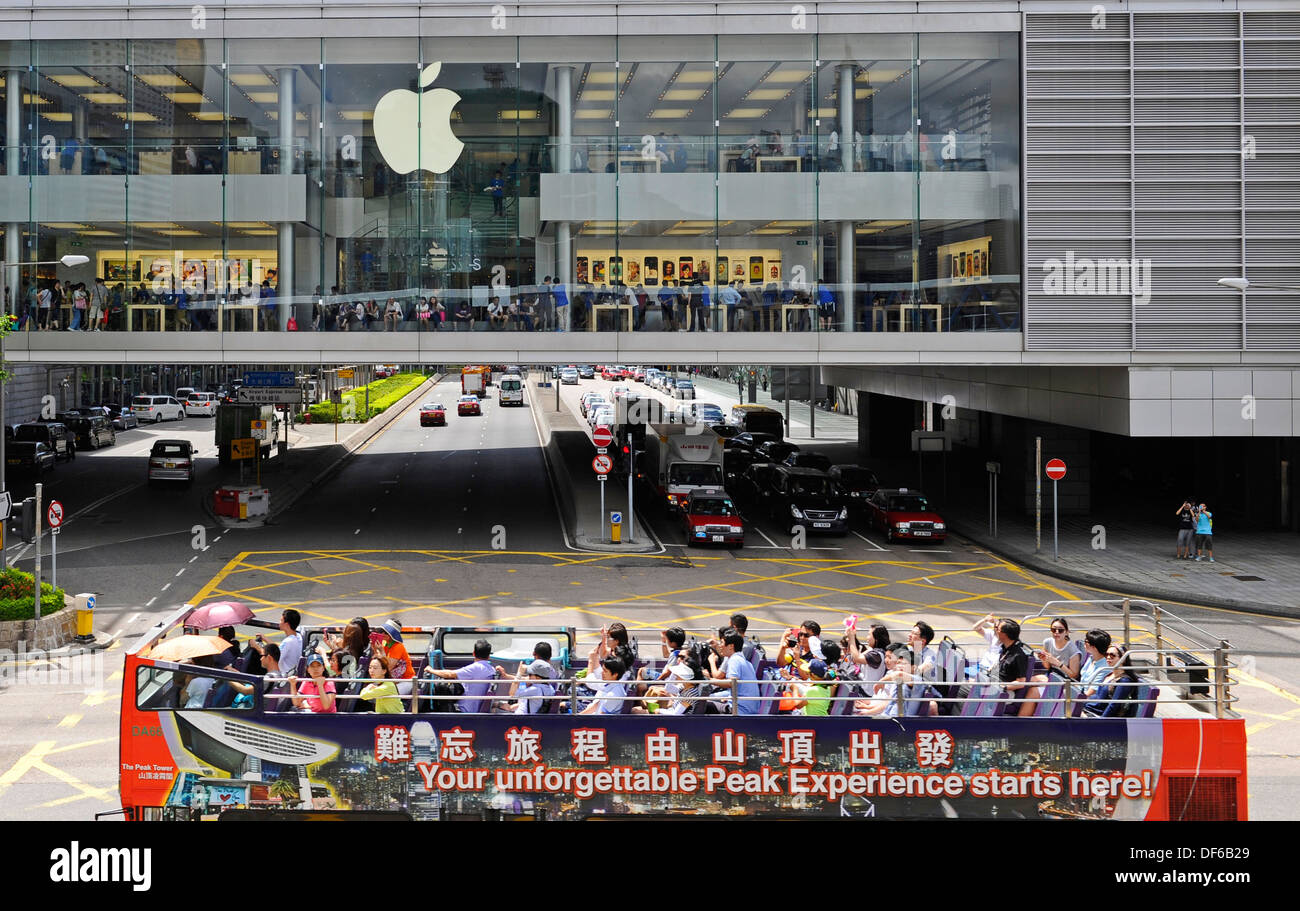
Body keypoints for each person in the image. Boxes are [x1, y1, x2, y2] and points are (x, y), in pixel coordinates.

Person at [425, 638, 496, 712]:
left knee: (441, 689)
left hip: (465, 709)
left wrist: (431, 670)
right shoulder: (491, 669)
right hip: (475, 707)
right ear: (488, 656)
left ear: (473, 653)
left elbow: (450, 674)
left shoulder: (476, 668)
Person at [994, 618, 1039, 717]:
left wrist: (1001, 686)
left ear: (1005, 635)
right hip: (994, 684)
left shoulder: (1018, 656)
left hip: (1006, 692)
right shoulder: (1005, 649)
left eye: (998, 629)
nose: (996, 631)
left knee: (966, 694)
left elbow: (1021, 683)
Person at [707, 631, 759, 715]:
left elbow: (731, 683)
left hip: (739, 710)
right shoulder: (744, 661)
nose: (720, 646)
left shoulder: (734, 660)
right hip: (747, 708)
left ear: (731, 646)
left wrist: (708, 680)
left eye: (722, 643)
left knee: (701, 704)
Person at [1084, 648, 1140, 718]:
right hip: (1089, 709)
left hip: (1097, 716)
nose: (1108, 657)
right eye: (1106, 655)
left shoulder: (1124, 681)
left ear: (1123, 659)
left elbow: (1113, 706)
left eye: (1112, 655)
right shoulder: (1110, 675)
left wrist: (1101, 722)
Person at [252, 609, 302, 675]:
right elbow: (279, 648)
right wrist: (265, 639)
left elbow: (273, 658)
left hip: (284, 677)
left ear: (286, 624)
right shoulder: (298, 637)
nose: (279, 623)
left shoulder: (288, 642)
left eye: (281, 620)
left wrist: (256, 647)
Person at [1080, 629, 1114, 699]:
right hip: (1080, 691)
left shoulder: (1104, 668)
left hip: (1088, 700)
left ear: (1094, 647)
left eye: (1086, 641)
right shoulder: (1091, 658)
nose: (1084, 643)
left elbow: (1091, 692)